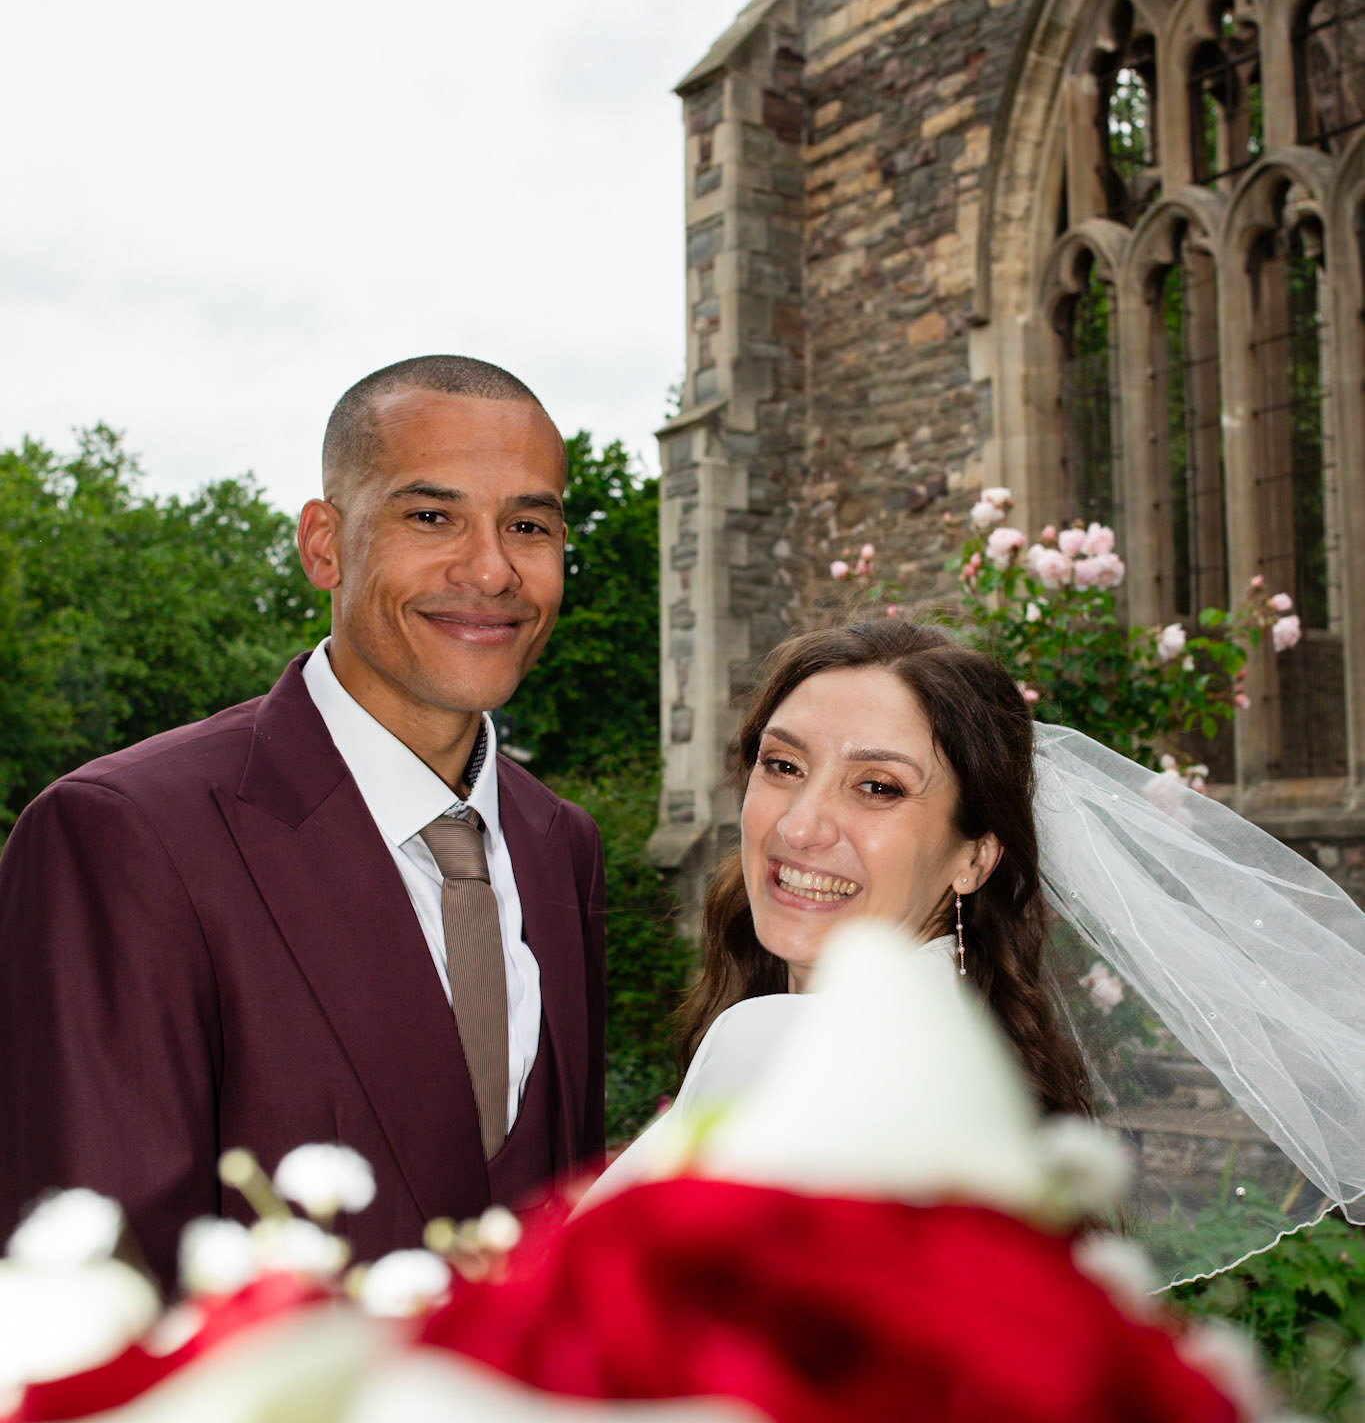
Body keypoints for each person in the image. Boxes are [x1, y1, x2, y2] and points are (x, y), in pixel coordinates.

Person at [0, 355, 606, 1289]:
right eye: (431, 516)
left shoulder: (560, 845)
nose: (491, 569)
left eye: (528, 525)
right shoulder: (122, 836)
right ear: (323, 544)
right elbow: (88, 1298)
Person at [597, 615, 1365, 1282]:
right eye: (783, 766)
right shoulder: (969, 1071)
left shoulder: (781, 1044)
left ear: (975, 856)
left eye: (878, 788)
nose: (799, 825)